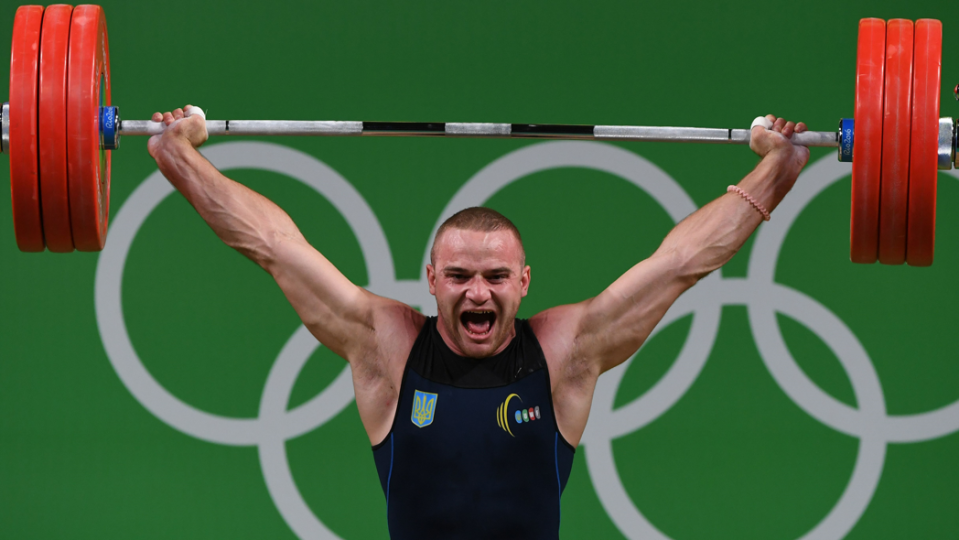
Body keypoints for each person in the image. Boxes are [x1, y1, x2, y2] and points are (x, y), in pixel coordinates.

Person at [147, 106, 809, 539]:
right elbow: (272, 245)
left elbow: (680, 263)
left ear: (523, 283)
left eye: (495, 278)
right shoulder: (387, 347)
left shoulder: (564, 351)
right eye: (459, 276)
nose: (477, 294)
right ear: (431, 281)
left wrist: (774, 171)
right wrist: (178, 155)